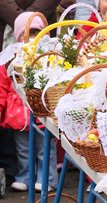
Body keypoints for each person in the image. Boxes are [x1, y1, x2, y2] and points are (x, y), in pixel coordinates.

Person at [3, 13, 58, 192]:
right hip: (18, 114)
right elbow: (3, 83)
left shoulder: (49, 57)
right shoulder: (12, 58)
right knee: (23, 150)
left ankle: (47, 179)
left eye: (37, 33)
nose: (33, 39)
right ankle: (24, 176)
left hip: (41, 110)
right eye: (28, 34)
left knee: (45, 149)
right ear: (19, 37)